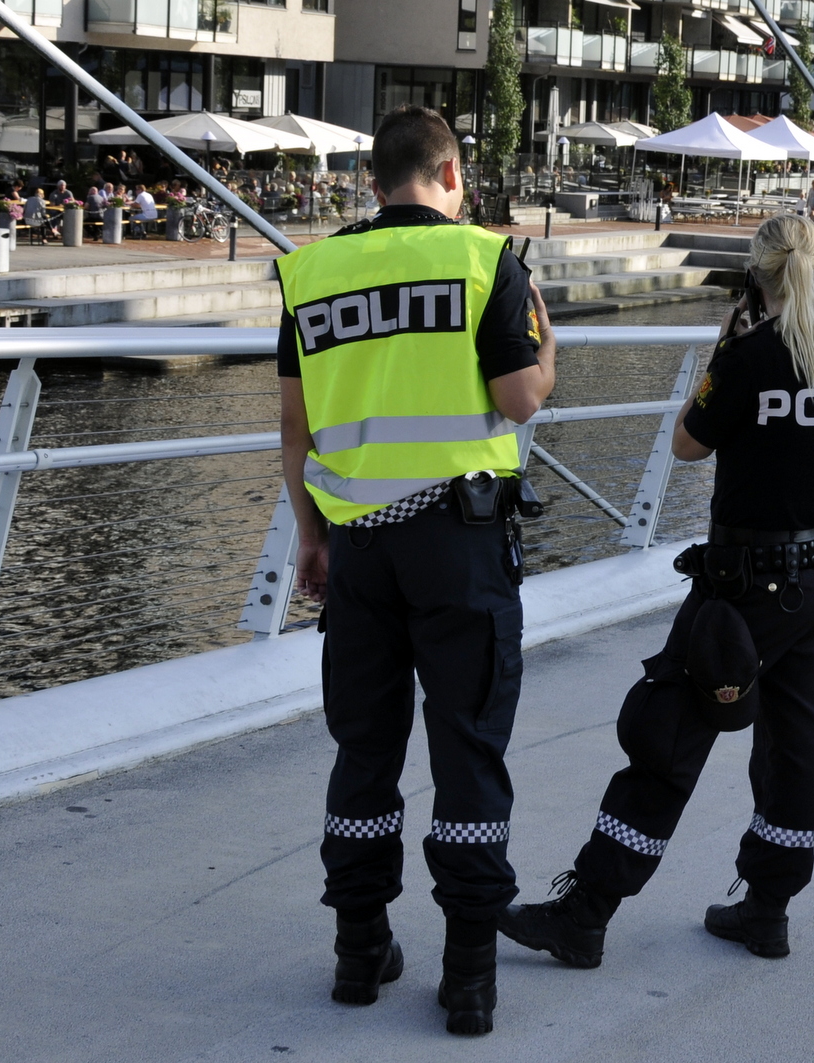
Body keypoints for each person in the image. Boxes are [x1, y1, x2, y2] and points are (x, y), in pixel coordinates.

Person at [498, 212, 814, 970]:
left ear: (756, 277)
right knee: (795, 749)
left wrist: (723, 359)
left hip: (743, 593)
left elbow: (685, 443)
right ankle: (767, 910)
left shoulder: (745, 358)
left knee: (666, 736)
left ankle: (588, 911)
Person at [276, 104, 557, 1037]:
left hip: (357, 546)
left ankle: (361, 952)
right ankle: (468, 977)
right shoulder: (488, 262)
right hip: (461, 545)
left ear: (371, 182)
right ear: (449, 173)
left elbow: (296, 425)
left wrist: (311, 533)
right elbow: (519, 399)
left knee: (366, 747)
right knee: (468, 746)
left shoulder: (312, 274)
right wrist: (546, 346)